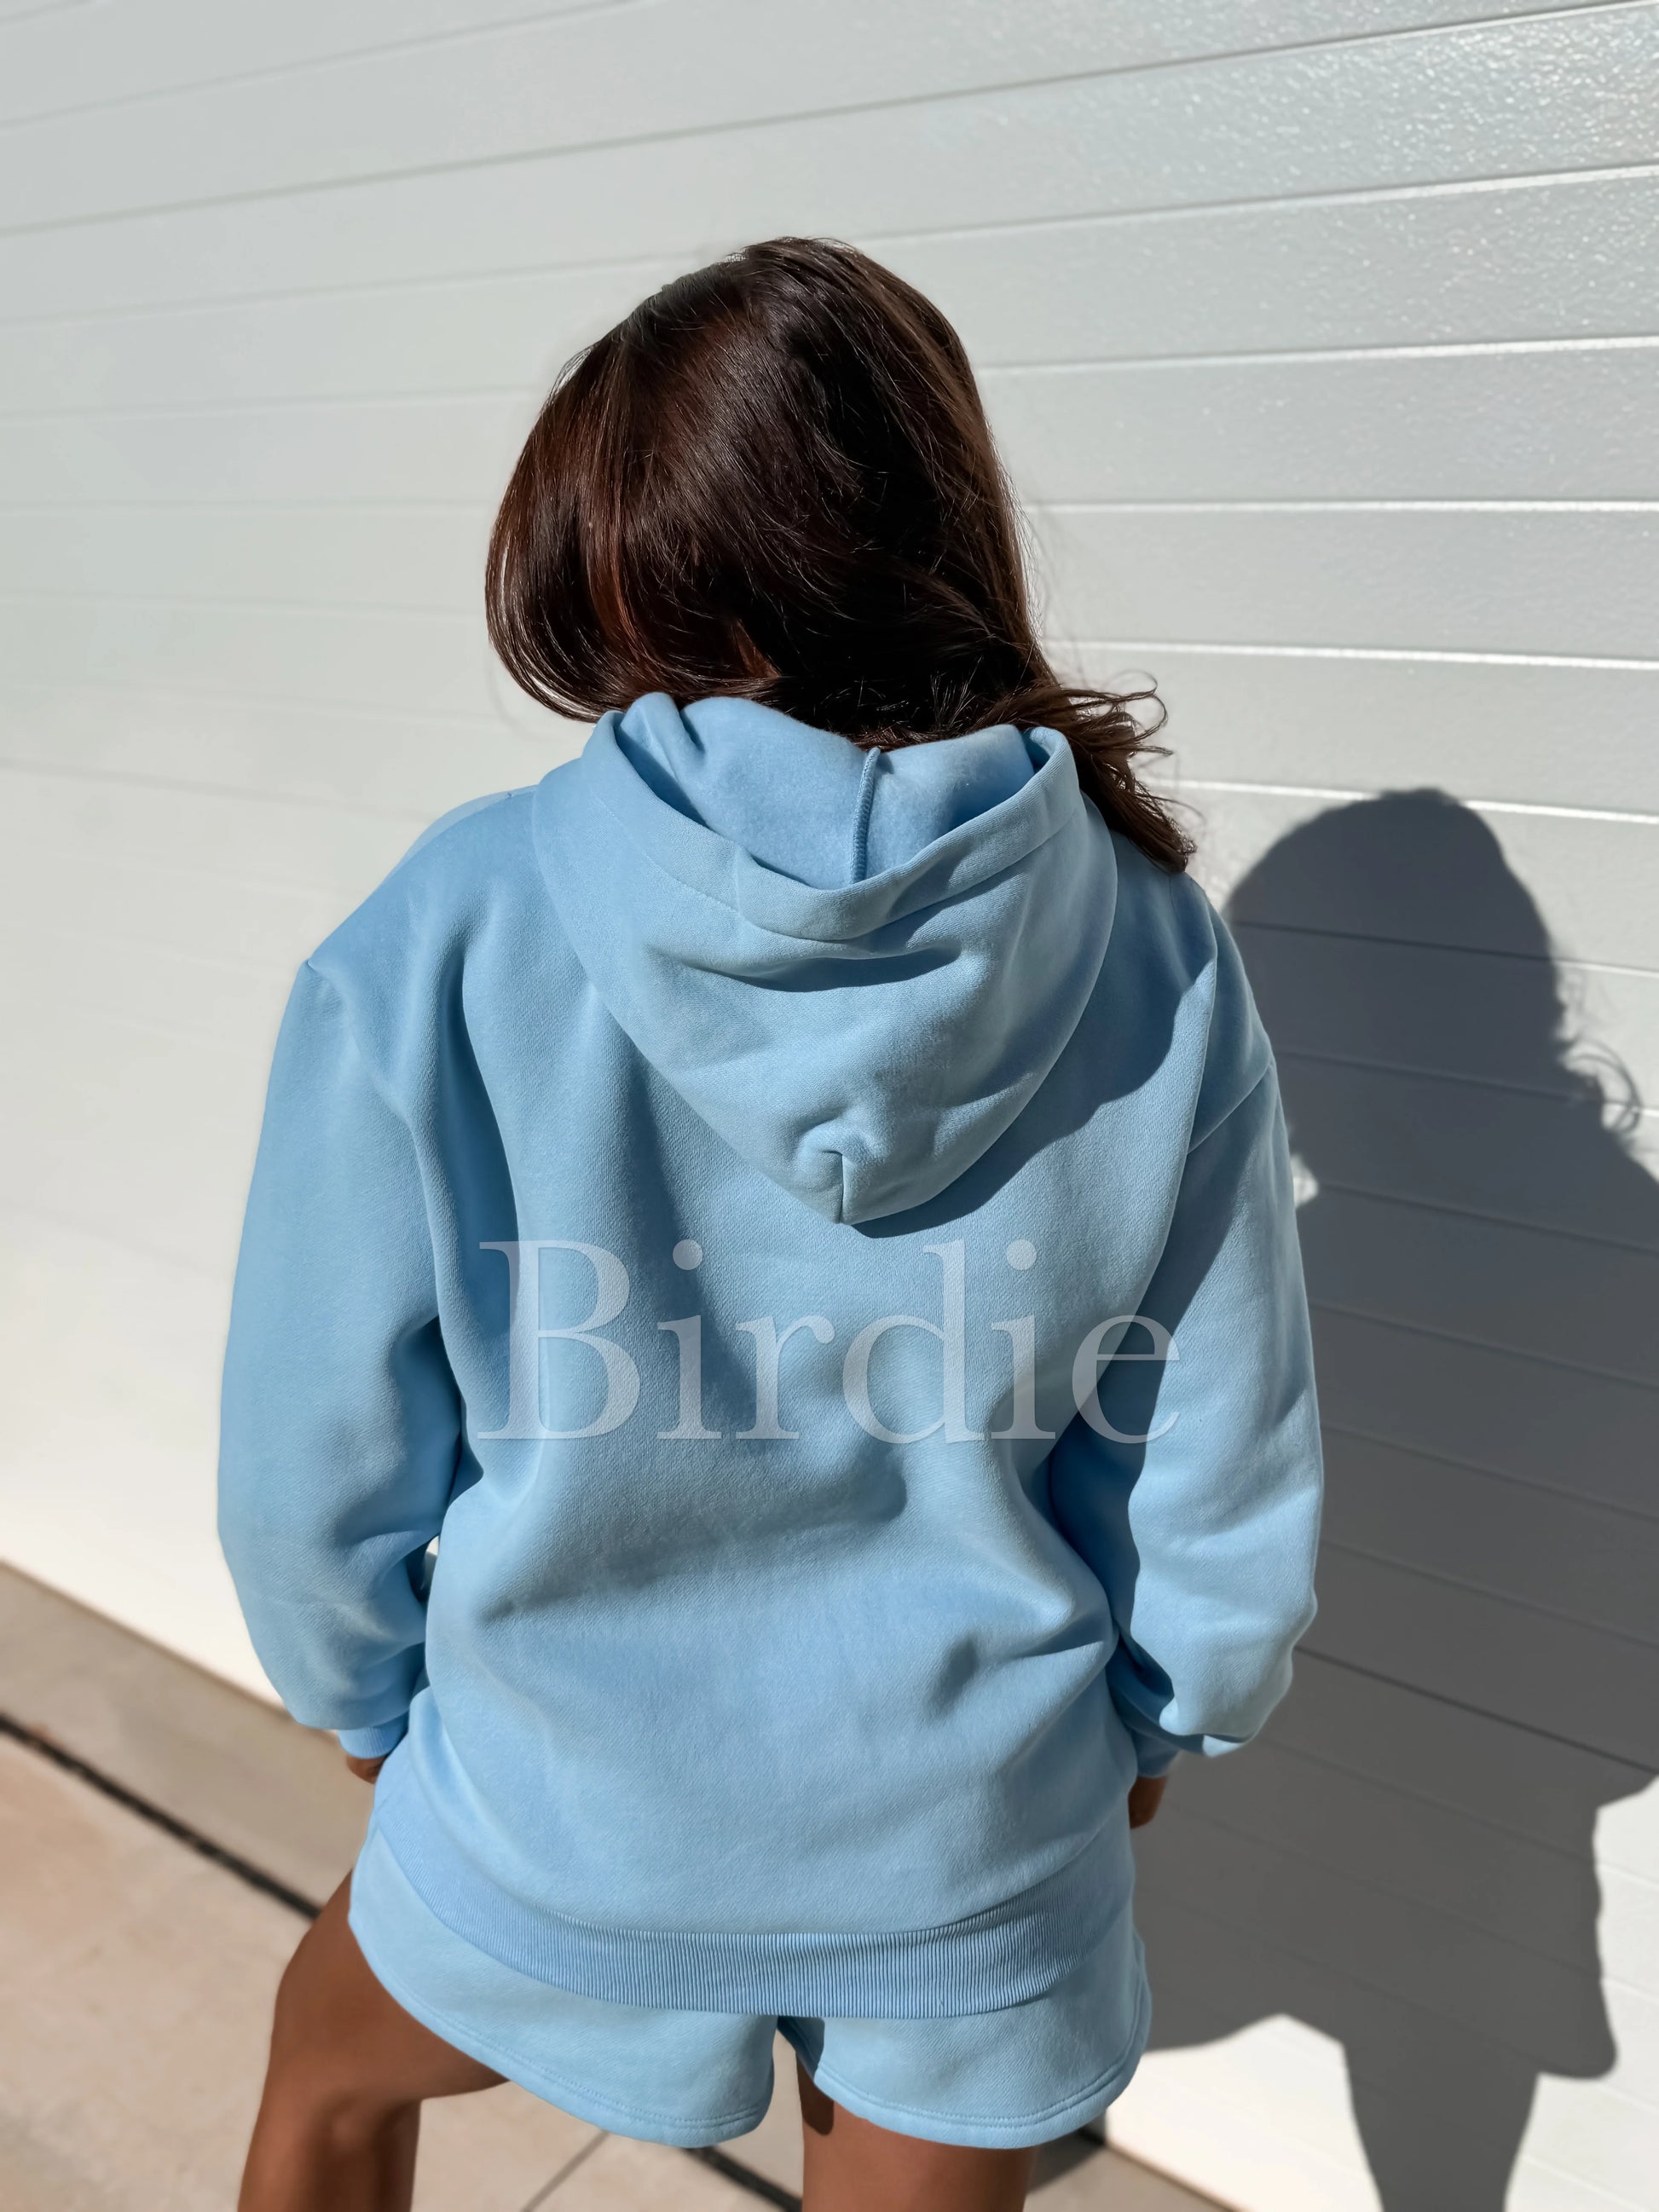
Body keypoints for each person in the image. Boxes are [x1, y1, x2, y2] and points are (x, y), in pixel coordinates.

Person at [220, 237, 1322, 2212]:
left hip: (563, 1805)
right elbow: (1211, 1444)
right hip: (972, 1834)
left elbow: (315, 1440)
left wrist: (364, 1700)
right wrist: (1159, 1720)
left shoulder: (455, 924)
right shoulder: (1152, 948)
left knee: (323, 2092)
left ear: (629, 564)